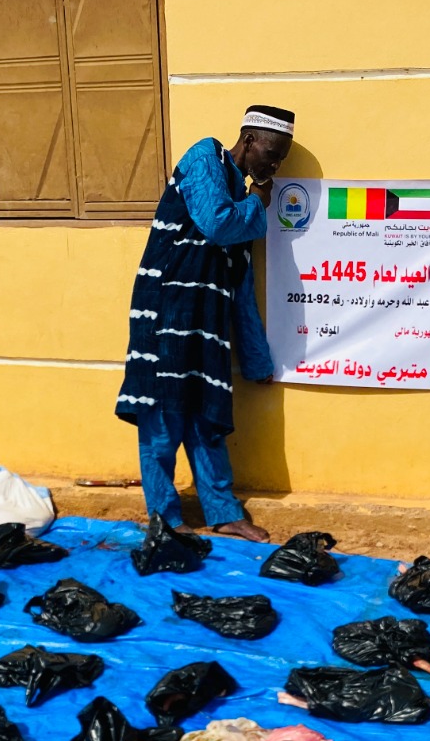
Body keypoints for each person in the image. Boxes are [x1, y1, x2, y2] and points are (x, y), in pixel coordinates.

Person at [114, 104, 295, 544]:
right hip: (166, 313)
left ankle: (223, 512)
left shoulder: (241, 204)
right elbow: (216, 223)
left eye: (281, 160)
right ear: (249, 140)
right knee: (161, 419)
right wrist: (258, 202)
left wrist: (256, 360)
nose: (274, 166)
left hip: (207, 323)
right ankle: (165, 518)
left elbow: (241, 288)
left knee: (207, 418)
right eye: (271, 154)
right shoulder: (205, 157)